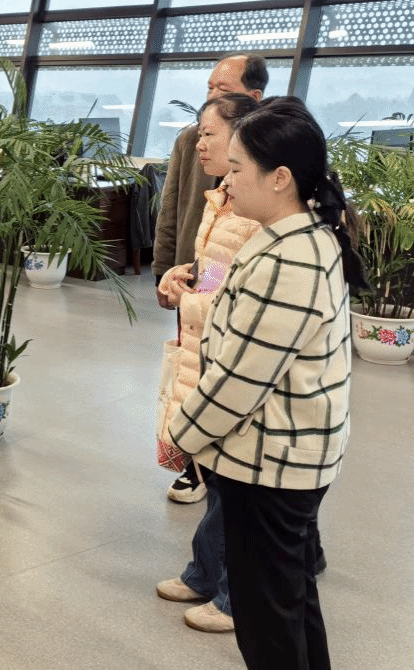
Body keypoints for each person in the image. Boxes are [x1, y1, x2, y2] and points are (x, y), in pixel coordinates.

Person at [167, 96, 367, 670]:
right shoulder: (290, 236)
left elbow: (239, 381)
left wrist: (181, 436)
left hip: (272, 464)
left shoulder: (290, 258)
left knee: (268, 623)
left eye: (236, 169)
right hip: (285, 455)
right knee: (290, 602)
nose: (226, 182)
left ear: (280, 178)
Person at [154, 93, 260, 634]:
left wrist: (193, 299)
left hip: (228, 355)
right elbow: (215, 270)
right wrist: (183, 276)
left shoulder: (260, 213)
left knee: (235, 483)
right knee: (214, 472)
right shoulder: (220, 197)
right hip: (203, 346)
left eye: (208, 134)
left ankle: (235, 596)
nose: (198, 144)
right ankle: (205, 573)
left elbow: (247, 301)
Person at [153, 53, 267, 504]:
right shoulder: (202, 162)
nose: (212, 96)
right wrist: (170, 272)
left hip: (227, 315)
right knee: (190, 376)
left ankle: (209, 469)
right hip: (195, 289)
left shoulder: (261, 193)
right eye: (209, 88)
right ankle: (196, 465)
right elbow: (173, 210)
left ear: (252, 101)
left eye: (224, 91)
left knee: (214, 384)